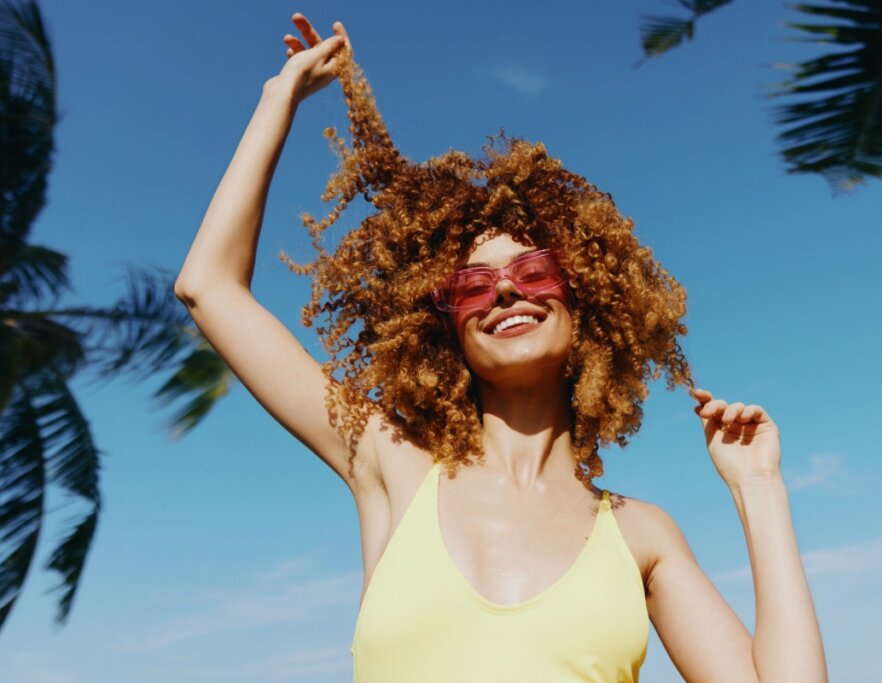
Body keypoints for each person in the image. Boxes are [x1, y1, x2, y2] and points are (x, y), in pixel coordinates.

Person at [174, 13, 827, 683]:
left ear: (588, 305)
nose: (506, 291)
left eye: (535, 271)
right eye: (473, 285)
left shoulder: (641, 536)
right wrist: (278, 97)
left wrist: (759, 487)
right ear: (445, 329)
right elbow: (208, 288)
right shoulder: (392, 468)